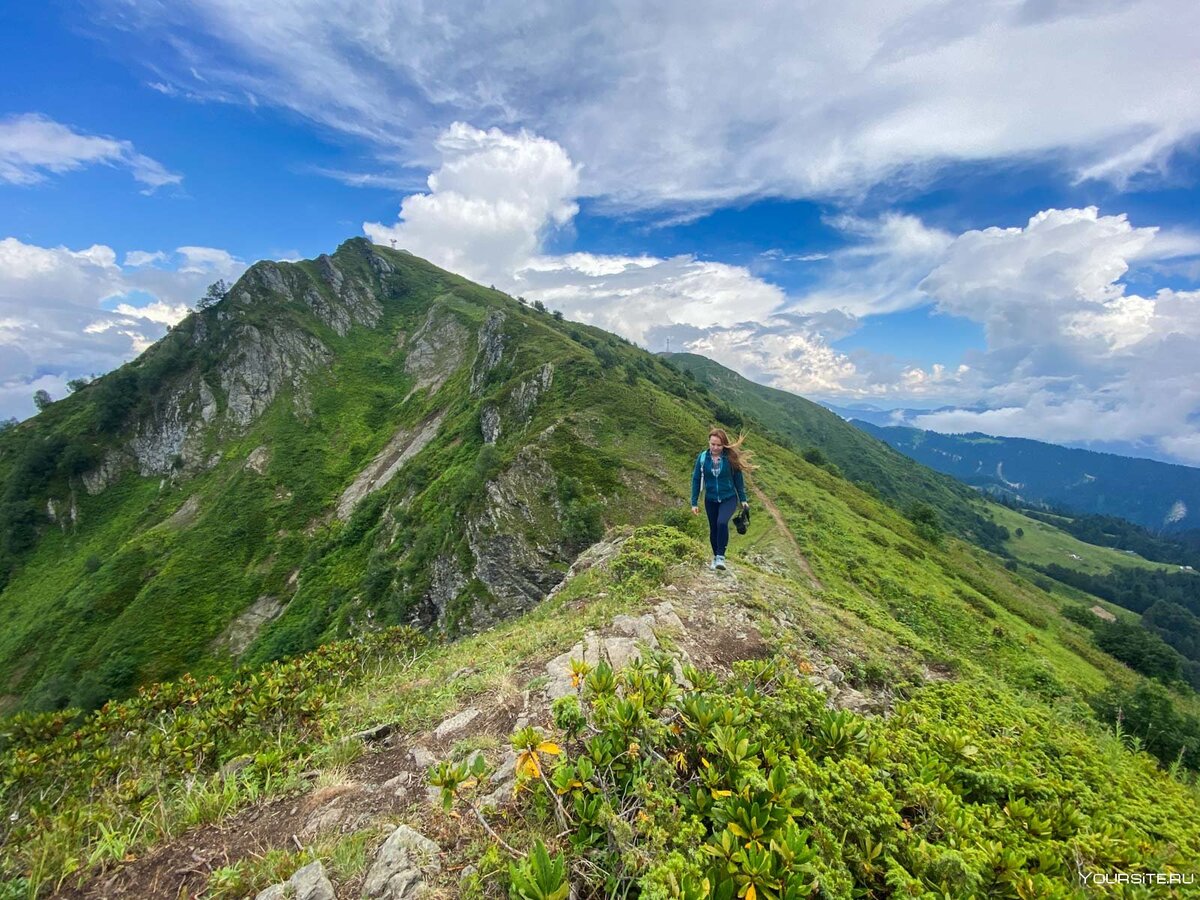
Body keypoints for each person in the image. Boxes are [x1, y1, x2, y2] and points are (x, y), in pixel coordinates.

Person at [691, 428, 754, 570]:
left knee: (721, 522)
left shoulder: (730, 458)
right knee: (713, 528)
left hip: (729, 498)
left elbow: (738, 479)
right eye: (713, 444)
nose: (715, 447)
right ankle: (715, 558)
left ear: (724, 445)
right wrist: (694, 502)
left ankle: (721, 557)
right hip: (710, 499)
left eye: (719, 445)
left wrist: (743, 499)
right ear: (709, 442)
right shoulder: (702, 458)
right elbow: (696, 479)